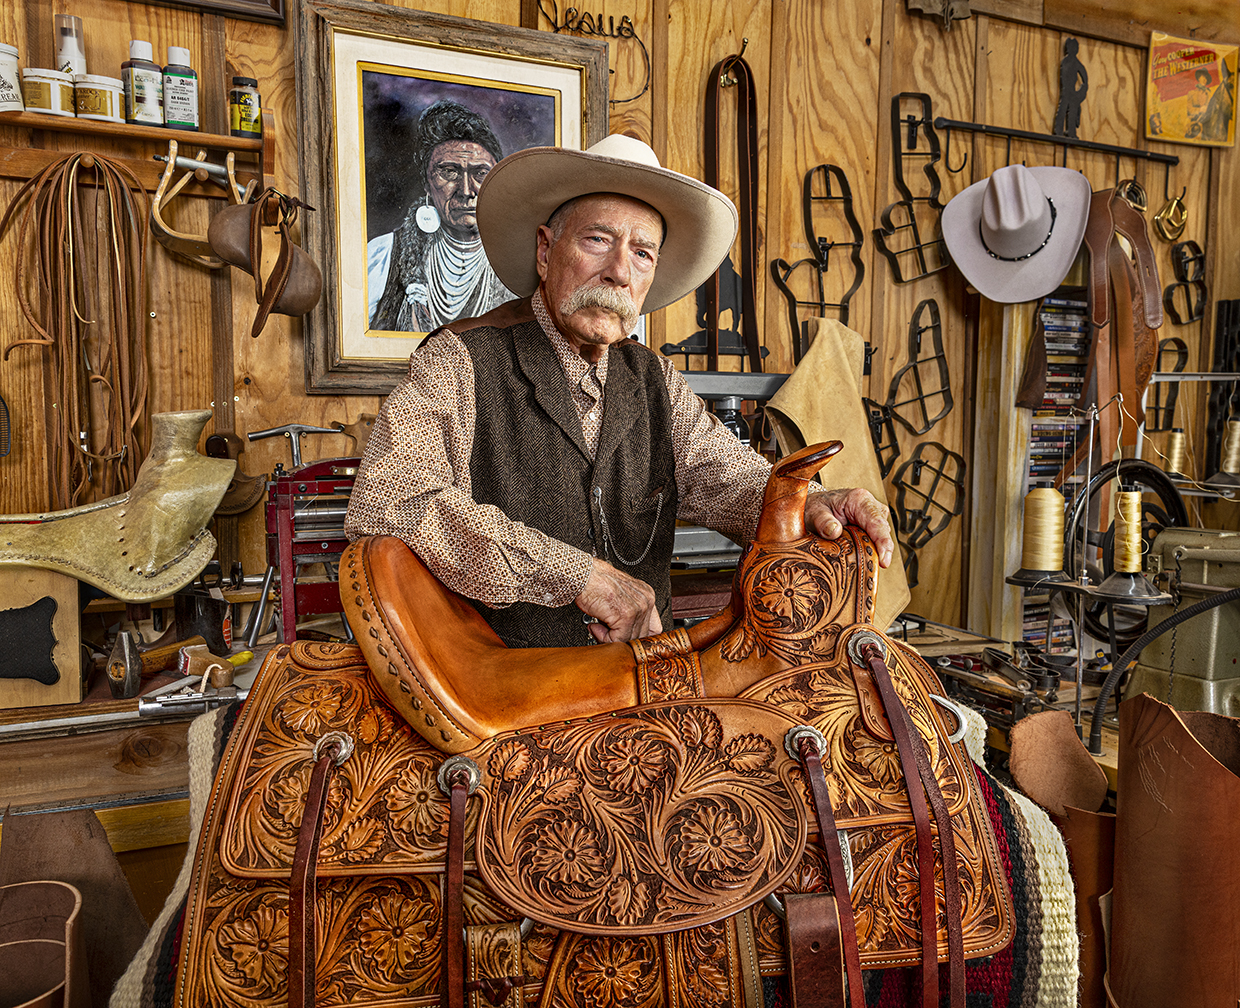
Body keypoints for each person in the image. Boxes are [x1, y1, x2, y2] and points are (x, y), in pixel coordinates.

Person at [345, 134, 894, 648]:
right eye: (598, 240)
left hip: (638, 688)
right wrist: (577, 575)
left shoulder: (654, 379)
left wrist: (809, 501)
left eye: (642, 253)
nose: (618, 272)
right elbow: (386, 507)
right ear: (545, 251)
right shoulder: (459, 360)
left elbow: (727, 479)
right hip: (496, 694)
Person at [367, 100, 515, 331]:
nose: (466, 190)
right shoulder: (384, 255)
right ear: (427, 183)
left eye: (481, 173)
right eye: (449, 172)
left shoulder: (521, 265)